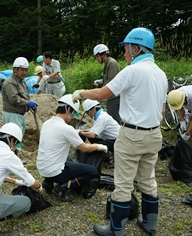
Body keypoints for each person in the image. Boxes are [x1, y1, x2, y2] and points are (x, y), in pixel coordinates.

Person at [72, 27, 167, 235]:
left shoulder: (132, 71)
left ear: (135, 48)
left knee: (123, 183)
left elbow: (103, 93)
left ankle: (116, 229)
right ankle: (150, 224)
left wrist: (80, 93)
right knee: (148, 179)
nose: (124, 53)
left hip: (132, 134)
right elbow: (161, 111)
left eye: (125, 48)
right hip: (154, 135)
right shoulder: (161, 74)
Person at [36, 94, 108, 202]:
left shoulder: (47, 123)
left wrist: (77, 137)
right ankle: (63, 187)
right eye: (74, 113)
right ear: (69, 109)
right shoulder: (66, 128)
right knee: (92, 171)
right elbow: (85, 149)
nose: (73, 116)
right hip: (55, 172)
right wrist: (98, 146)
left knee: (68, 160)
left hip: (42, 168)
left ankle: (48, 182)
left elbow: (62, 144)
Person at [1, 57, 37, 135]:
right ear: (15, 70)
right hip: (12, 116)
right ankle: (16, 147)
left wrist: (29, 104)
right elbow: (13, 99)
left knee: (19, 138)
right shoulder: (10, 83)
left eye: (26, 70)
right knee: (13, 138)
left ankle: (18, 147)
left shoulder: (22, 82)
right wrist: (27, 103)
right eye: (22, 70)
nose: (24, 72)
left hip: (19, 115)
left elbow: (25, 95)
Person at [93, 44, 121, 123]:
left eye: (97, 57)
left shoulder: (112, 63)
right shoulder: (108, 63)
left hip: (114, 97)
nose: (97, 59)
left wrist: (100, 92)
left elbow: (112, 81)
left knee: (114, 119)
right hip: (111, 97)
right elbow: (108, 78)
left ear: (103, 55)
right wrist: (100, 81)